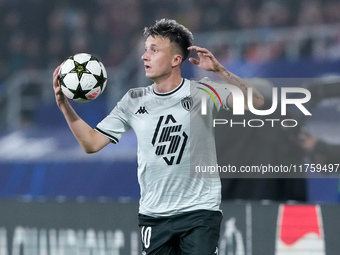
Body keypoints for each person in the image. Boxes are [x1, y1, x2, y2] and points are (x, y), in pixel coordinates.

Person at [52, 18, 263, 255]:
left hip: (199, 212)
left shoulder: (204, 91)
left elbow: (257, 101)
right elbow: (91, 143)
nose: (144, 56)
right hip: (154, 216)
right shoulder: (133, 100)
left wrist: (220, 70)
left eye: (154, 50)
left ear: (176, 59)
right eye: (145, 49)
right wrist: (63, 105)